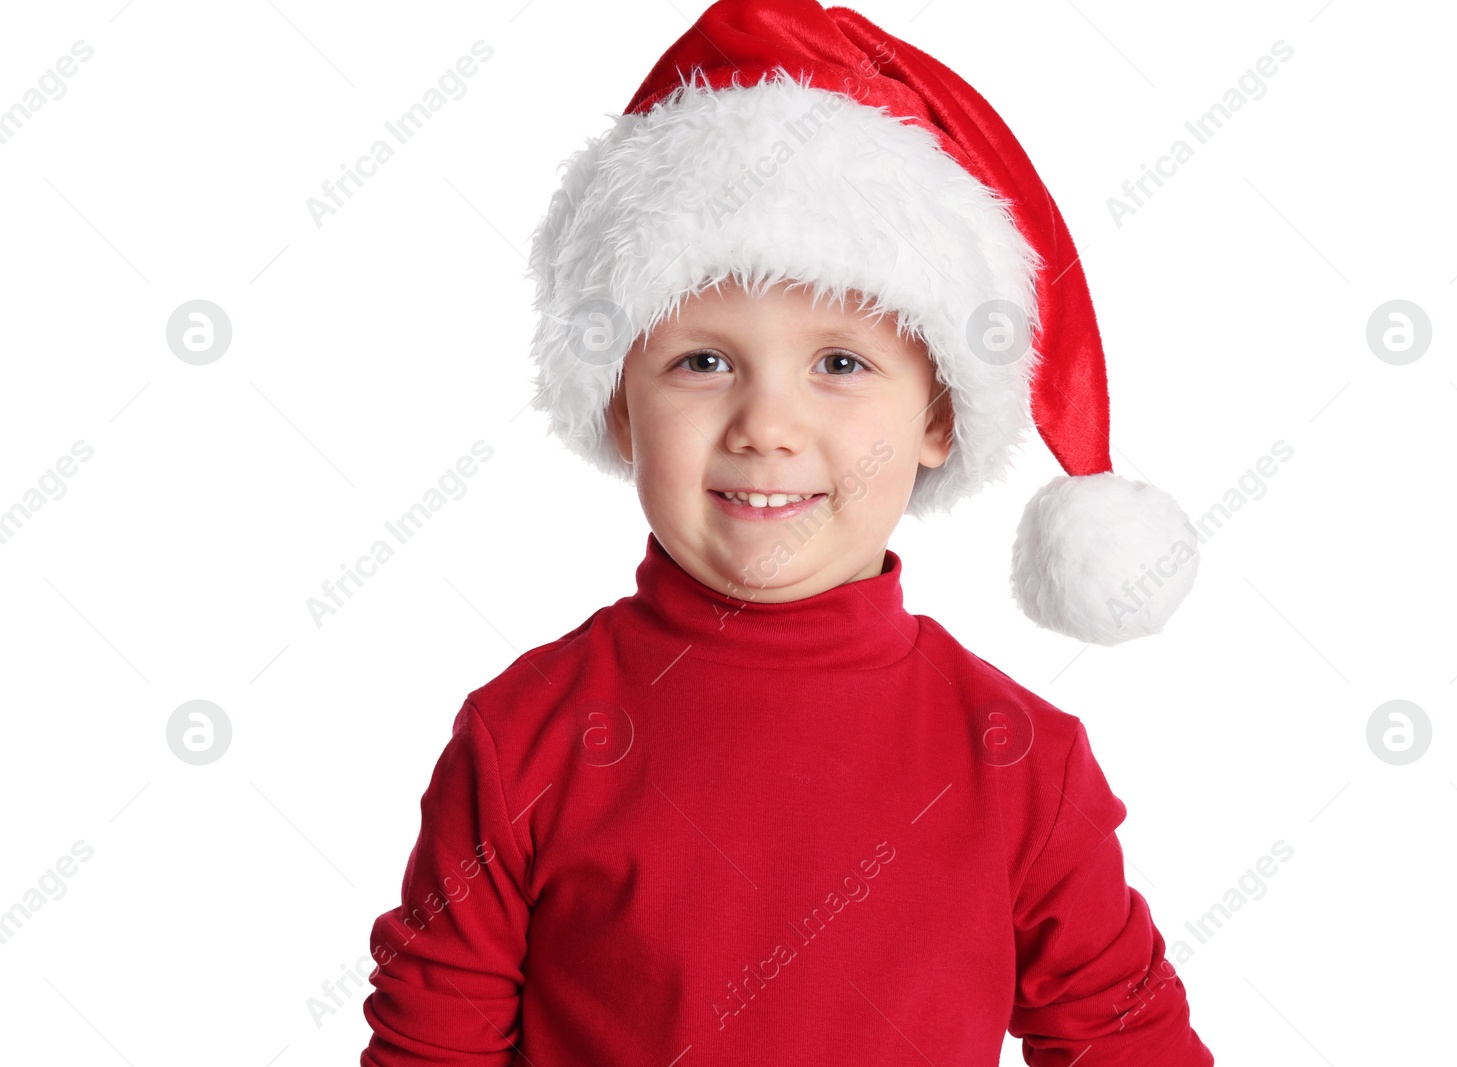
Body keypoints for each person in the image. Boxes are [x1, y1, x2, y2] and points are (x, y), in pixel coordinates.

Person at [360, 1, 1211, 1063]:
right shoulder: (523, 736)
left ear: (940, 415)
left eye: (840, 364)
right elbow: (430, 1043)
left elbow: (1125, 1038)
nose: (766, 426)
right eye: (703, 361)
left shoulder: (1019, 759)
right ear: (620, 406)